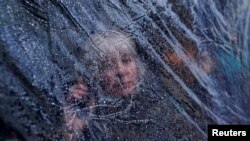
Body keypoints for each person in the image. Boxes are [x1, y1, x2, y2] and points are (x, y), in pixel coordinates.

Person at [63, 30, 205, 141]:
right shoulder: (93, 122)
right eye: (108, 65)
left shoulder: (162, 97)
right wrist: (72, 131)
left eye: (126, 60)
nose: (121, 71)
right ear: (94, 75)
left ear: (137, 64)